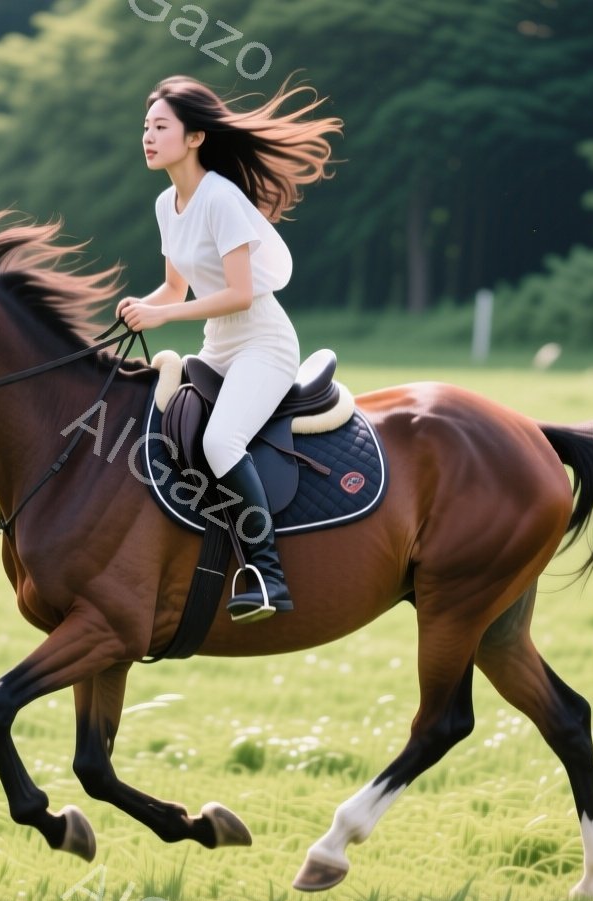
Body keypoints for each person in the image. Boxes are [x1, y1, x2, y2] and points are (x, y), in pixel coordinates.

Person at [117, 75, 341, 623]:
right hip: (218, 348)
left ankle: (268, 576)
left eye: (160, 127)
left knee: (220, 440)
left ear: (195, 137)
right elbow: (173, 288)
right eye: (145, 127)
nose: (148, 136)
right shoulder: (167, 204)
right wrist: (136, 308)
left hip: (264, 344)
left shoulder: (220, 197)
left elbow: (240, 293)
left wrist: (165, 314)